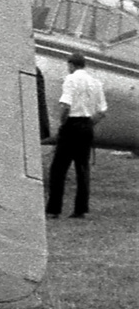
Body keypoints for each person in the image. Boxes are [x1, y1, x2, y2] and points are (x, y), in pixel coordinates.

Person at [46, 53, 107, 219]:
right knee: (82, 168)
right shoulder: (96, 82)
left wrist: (63, 122)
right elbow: (102, 111)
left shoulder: (70, 79)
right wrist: (88, 124)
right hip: (87, 125)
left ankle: (54, 209)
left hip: (71, 125)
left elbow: (66, 105)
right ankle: (80, 209)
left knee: (59, 168)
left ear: (71, 65)